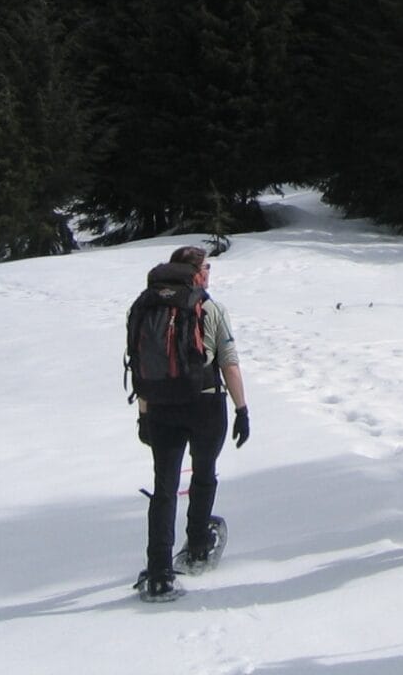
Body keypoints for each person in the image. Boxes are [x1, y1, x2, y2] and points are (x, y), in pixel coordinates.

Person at [133, 245, 250, 602]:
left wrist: (143, 414)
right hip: (205, 403)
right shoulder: (210, 309)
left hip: (161, 408)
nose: (209, 273)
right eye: (207, 268)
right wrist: (242, 408)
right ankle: (198, 545)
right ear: (197, 273)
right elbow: (228, 362)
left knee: (164, 486)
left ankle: (158, 573)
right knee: (203, 473)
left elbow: (140, 367)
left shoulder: (143, 306)